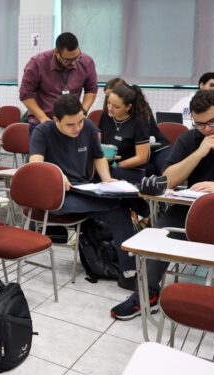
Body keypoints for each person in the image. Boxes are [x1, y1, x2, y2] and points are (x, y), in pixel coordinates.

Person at [111, 89, 214, 319]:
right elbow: (169, 179)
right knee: (159, 232)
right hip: (195, 211)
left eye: (213, 121)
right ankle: (146, 295)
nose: (207, 129)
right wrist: (199, 153)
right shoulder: (191, 139)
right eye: (200, 124)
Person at [29, 95, 137, 289]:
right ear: (56, 120)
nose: (77, 128)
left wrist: (107, 179)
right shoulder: (42, 132)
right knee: (118, 205)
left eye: (80, 121)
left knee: (120, 211)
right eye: (70, 124)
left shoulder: (87, 127)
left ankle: (129, 273)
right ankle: (137, 206)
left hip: (82, 189)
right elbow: (35, 165)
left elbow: (98, 156)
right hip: (56, 197)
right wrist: (55, 175)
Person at [20, 32, 98, 133]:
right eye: (68, 60)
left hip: (71, 124)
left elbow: (91, 89)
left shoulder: (87, 62)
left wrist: (83, 111)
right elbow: (25, 94)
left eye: (76, 57)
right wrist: (43, 118)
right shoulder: (37, 63)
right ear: (57, 53)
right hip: (42, 124)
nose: (74, 63)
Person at [98, 83, 153, 183]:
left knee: (102, 176)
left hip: (130, 170)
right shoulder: (106, 116)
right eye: (108, 103)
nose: (110, 108)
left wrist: (116, 165)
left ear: (128, 107)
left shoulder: (138, 123)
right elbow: (98, 143)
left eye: (116, 107)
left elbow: (141, 158)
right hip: (107, 165)